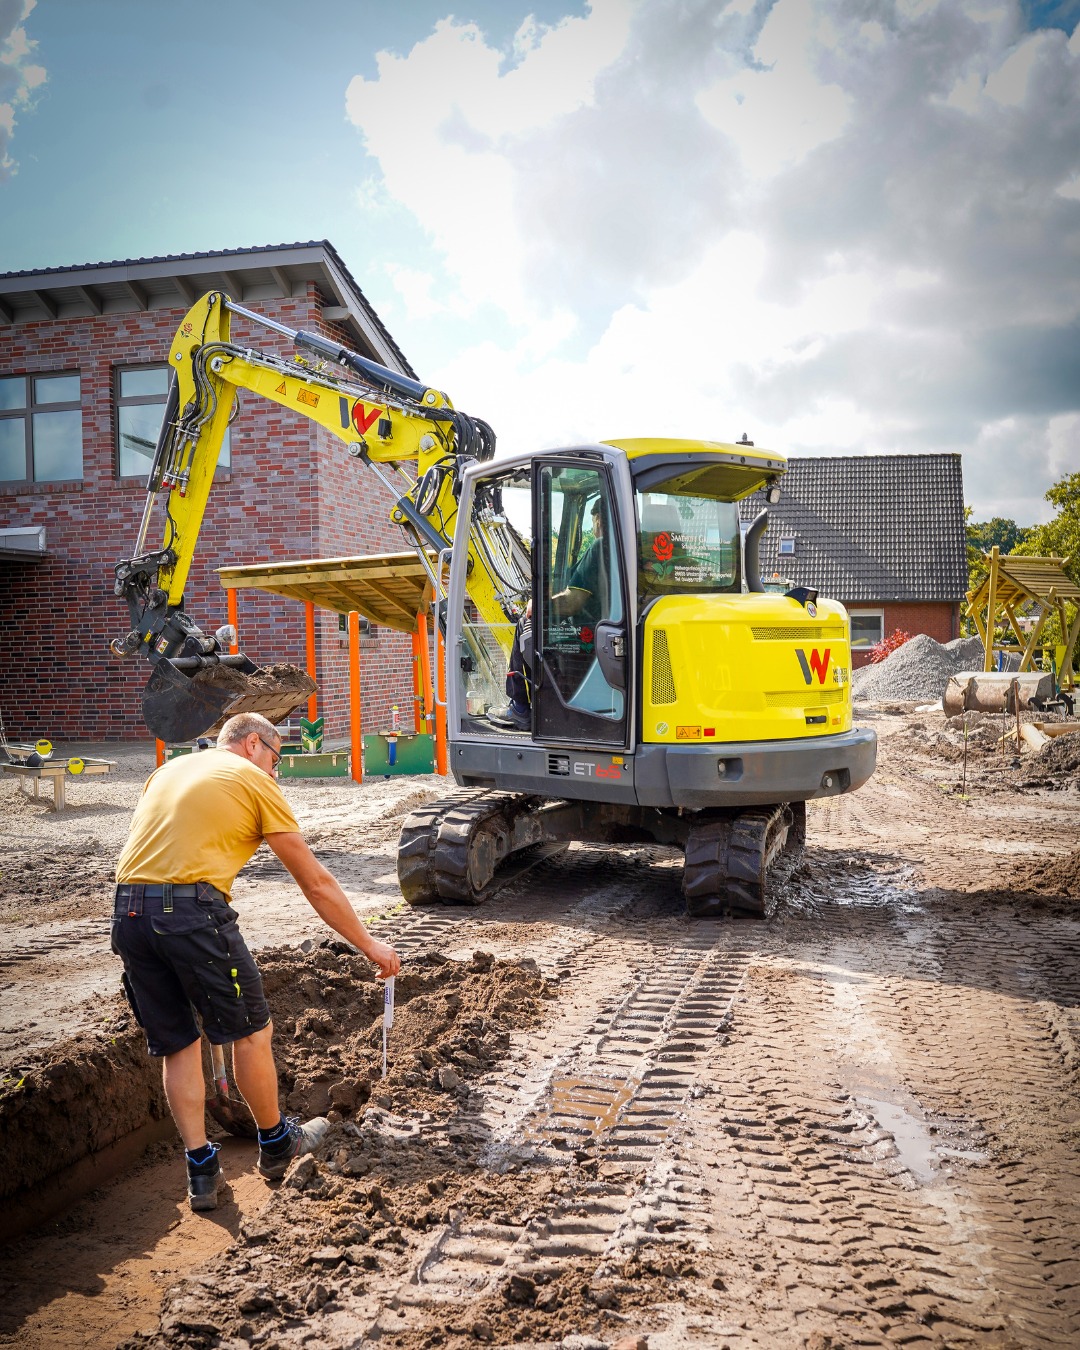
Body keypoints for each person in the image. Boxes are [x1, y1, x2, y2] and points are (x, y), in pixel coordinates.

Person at [111, 711, 400, 1212]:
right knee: (251, 1032)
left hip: (128, 913)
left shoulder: (168, 770)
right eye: (276, 758)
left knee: (179, 1046)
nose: (275, 770)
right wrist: (369, 945)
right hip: (192, 913)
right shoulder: (252, 778)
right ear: (251, 744)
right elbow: (315, 882)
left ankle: (201, 1171)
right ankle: (277, 1143)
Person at [489, 499, 607, 730]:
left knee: (525, 623)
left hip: (588, 634)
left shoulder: (600, 547)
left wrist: (541, 606)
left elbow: (572, 602)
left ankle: (520, 706)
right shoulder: (636, 550)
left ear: (599, 521)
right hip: (605, 629)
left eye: (593, 521)